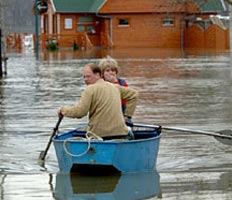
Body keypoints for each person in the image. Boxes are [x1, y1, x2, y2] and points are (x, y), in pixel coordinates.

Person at [58, 63, 138, 140]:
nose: (85, 79)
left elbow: (80, 112)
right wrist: (127, 116)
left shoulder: (90, 89)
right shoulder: (115, 87)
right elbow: (134, 94)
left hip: (98, 135)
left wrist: (63, 110)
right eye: (84, 77)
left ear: (97, 75)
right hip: (121, 133)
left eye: (88, 76)